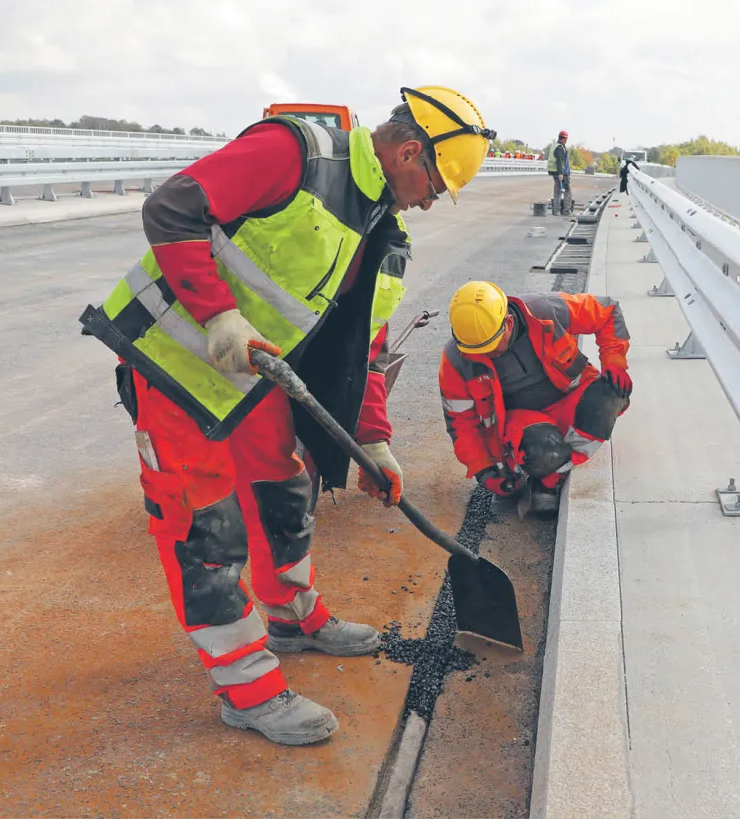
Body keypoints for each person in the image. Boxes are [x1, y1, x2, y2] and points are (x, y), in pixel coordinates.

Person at [77, 86, 496, 747]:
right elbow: (172, 208)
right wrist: (218, 315)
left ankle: (293, 616)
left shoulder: (381, 231)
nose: (427, 202)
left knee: (284, 484)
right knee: (202, 525)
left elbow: (364, 345)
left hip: (252, 377)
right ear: (410, 152)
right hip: (176, 364)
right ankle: (246, 686)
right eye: (435, 187)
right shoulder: (295, 154)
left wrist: (373, 440)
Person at [437, 281, 632, 517]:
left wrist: (614, 360)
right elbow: (461, 424)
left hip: (569, 400)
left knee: (610, 396)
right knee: (543, 450)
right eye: (478, 351)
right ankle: (545, 465)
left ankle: (551, 476)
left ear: (508, 323)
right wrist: (485, 471)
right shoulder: (456, 360)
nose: (486, 355)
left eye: (491, 347)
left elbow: (607, 311)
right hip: (523, 424)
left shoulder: (545, 310)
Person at [547, 130, 572, 215]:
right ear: (563, 138)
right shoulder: (560, 148)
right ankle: (566, 210)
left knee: (557, 191)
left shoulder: (556, 146)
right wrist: (561, 173)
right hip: (562, 173)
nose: (566, 141)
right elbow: (560, 162)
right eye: (566, 139)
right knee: (567, 191)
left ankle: (556, 210)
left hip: (555, 172)